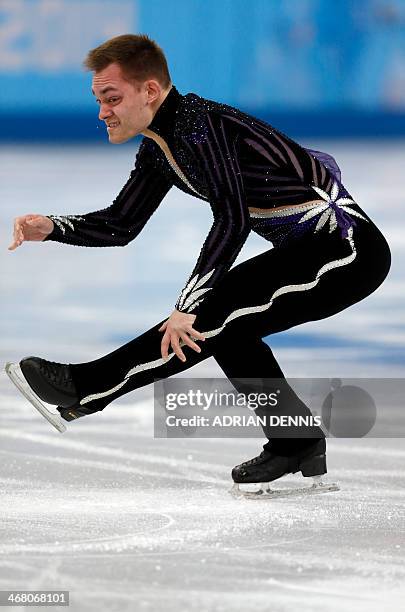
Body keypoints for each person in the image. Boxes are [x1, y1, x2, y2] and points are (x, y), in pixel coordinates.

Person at [8, 34, 391, 493]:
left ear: (150, 91)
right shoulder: (159, 145)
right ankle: (295, 440)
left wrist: (189, 302)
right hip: (309, 249)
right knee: (228, 328)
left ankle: (86, 388)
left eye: (112, 98)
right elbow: (121, 223)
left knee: (210, 316)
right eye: (98, 100)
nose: (102, 112)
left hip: (346, 251)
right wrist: (53, 227)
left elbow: (232, 217)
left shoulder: (198, 125)